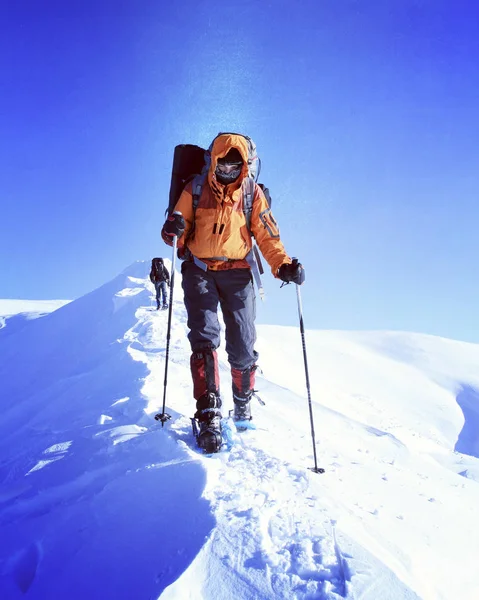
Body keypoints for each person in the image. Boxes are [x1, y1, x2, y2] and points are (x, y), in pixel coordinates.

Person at [161, 133, 305, 453]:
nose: (227, 168)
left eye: (234, 164)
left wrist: (282, 266)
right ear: (213, 161)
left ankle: (242, 401)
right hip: (199, 269)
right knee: (204, 336)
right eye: (223, 162)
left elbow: (267, 235)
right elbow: (176, 222)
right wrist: (174, 229)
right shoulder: (195, 188)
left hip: (238, 273)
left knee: (242, 343)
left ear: (245, 165)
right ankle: (208, 410)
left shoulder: (252, 194)